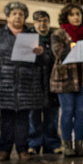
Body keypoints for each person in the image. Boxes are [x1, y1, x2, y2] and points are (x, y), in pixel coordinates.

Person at [0, 1, 46, 161]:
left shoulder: (33, 36)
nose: (18, 16)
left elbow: (44, 61)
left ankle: (23, 149)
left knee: (23, 119)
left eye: (21, 14)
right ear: (8, 17)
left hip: (26, 84)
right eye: (14, 14)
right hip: (4, 83)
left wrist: (40, 54)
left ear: (25, 18)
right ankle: (4, 149)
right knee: (7, 119)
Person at [51, 3, 83, 157]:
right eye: (72, 14)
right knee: (66, 112)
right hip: (65, 79)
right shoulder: (58, 34)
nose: (76, 17)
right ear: (66, 16)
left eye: (78, 14)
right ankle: (67, 145)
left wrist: (76, 48)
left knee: (81, 113)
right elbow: (60, 53)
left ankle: (79, 145)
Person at [27, 10, 62, 155]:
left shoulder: (55, 38)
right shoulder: (28, 38)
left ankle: (52, 144)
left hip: (52, 82)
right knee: (33, 116)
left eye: (45, 21)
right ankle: (33, 144)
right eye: (39, 21)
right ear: (34, 23)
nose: (42, 24)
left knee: (52, 115)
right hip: (33, 82)